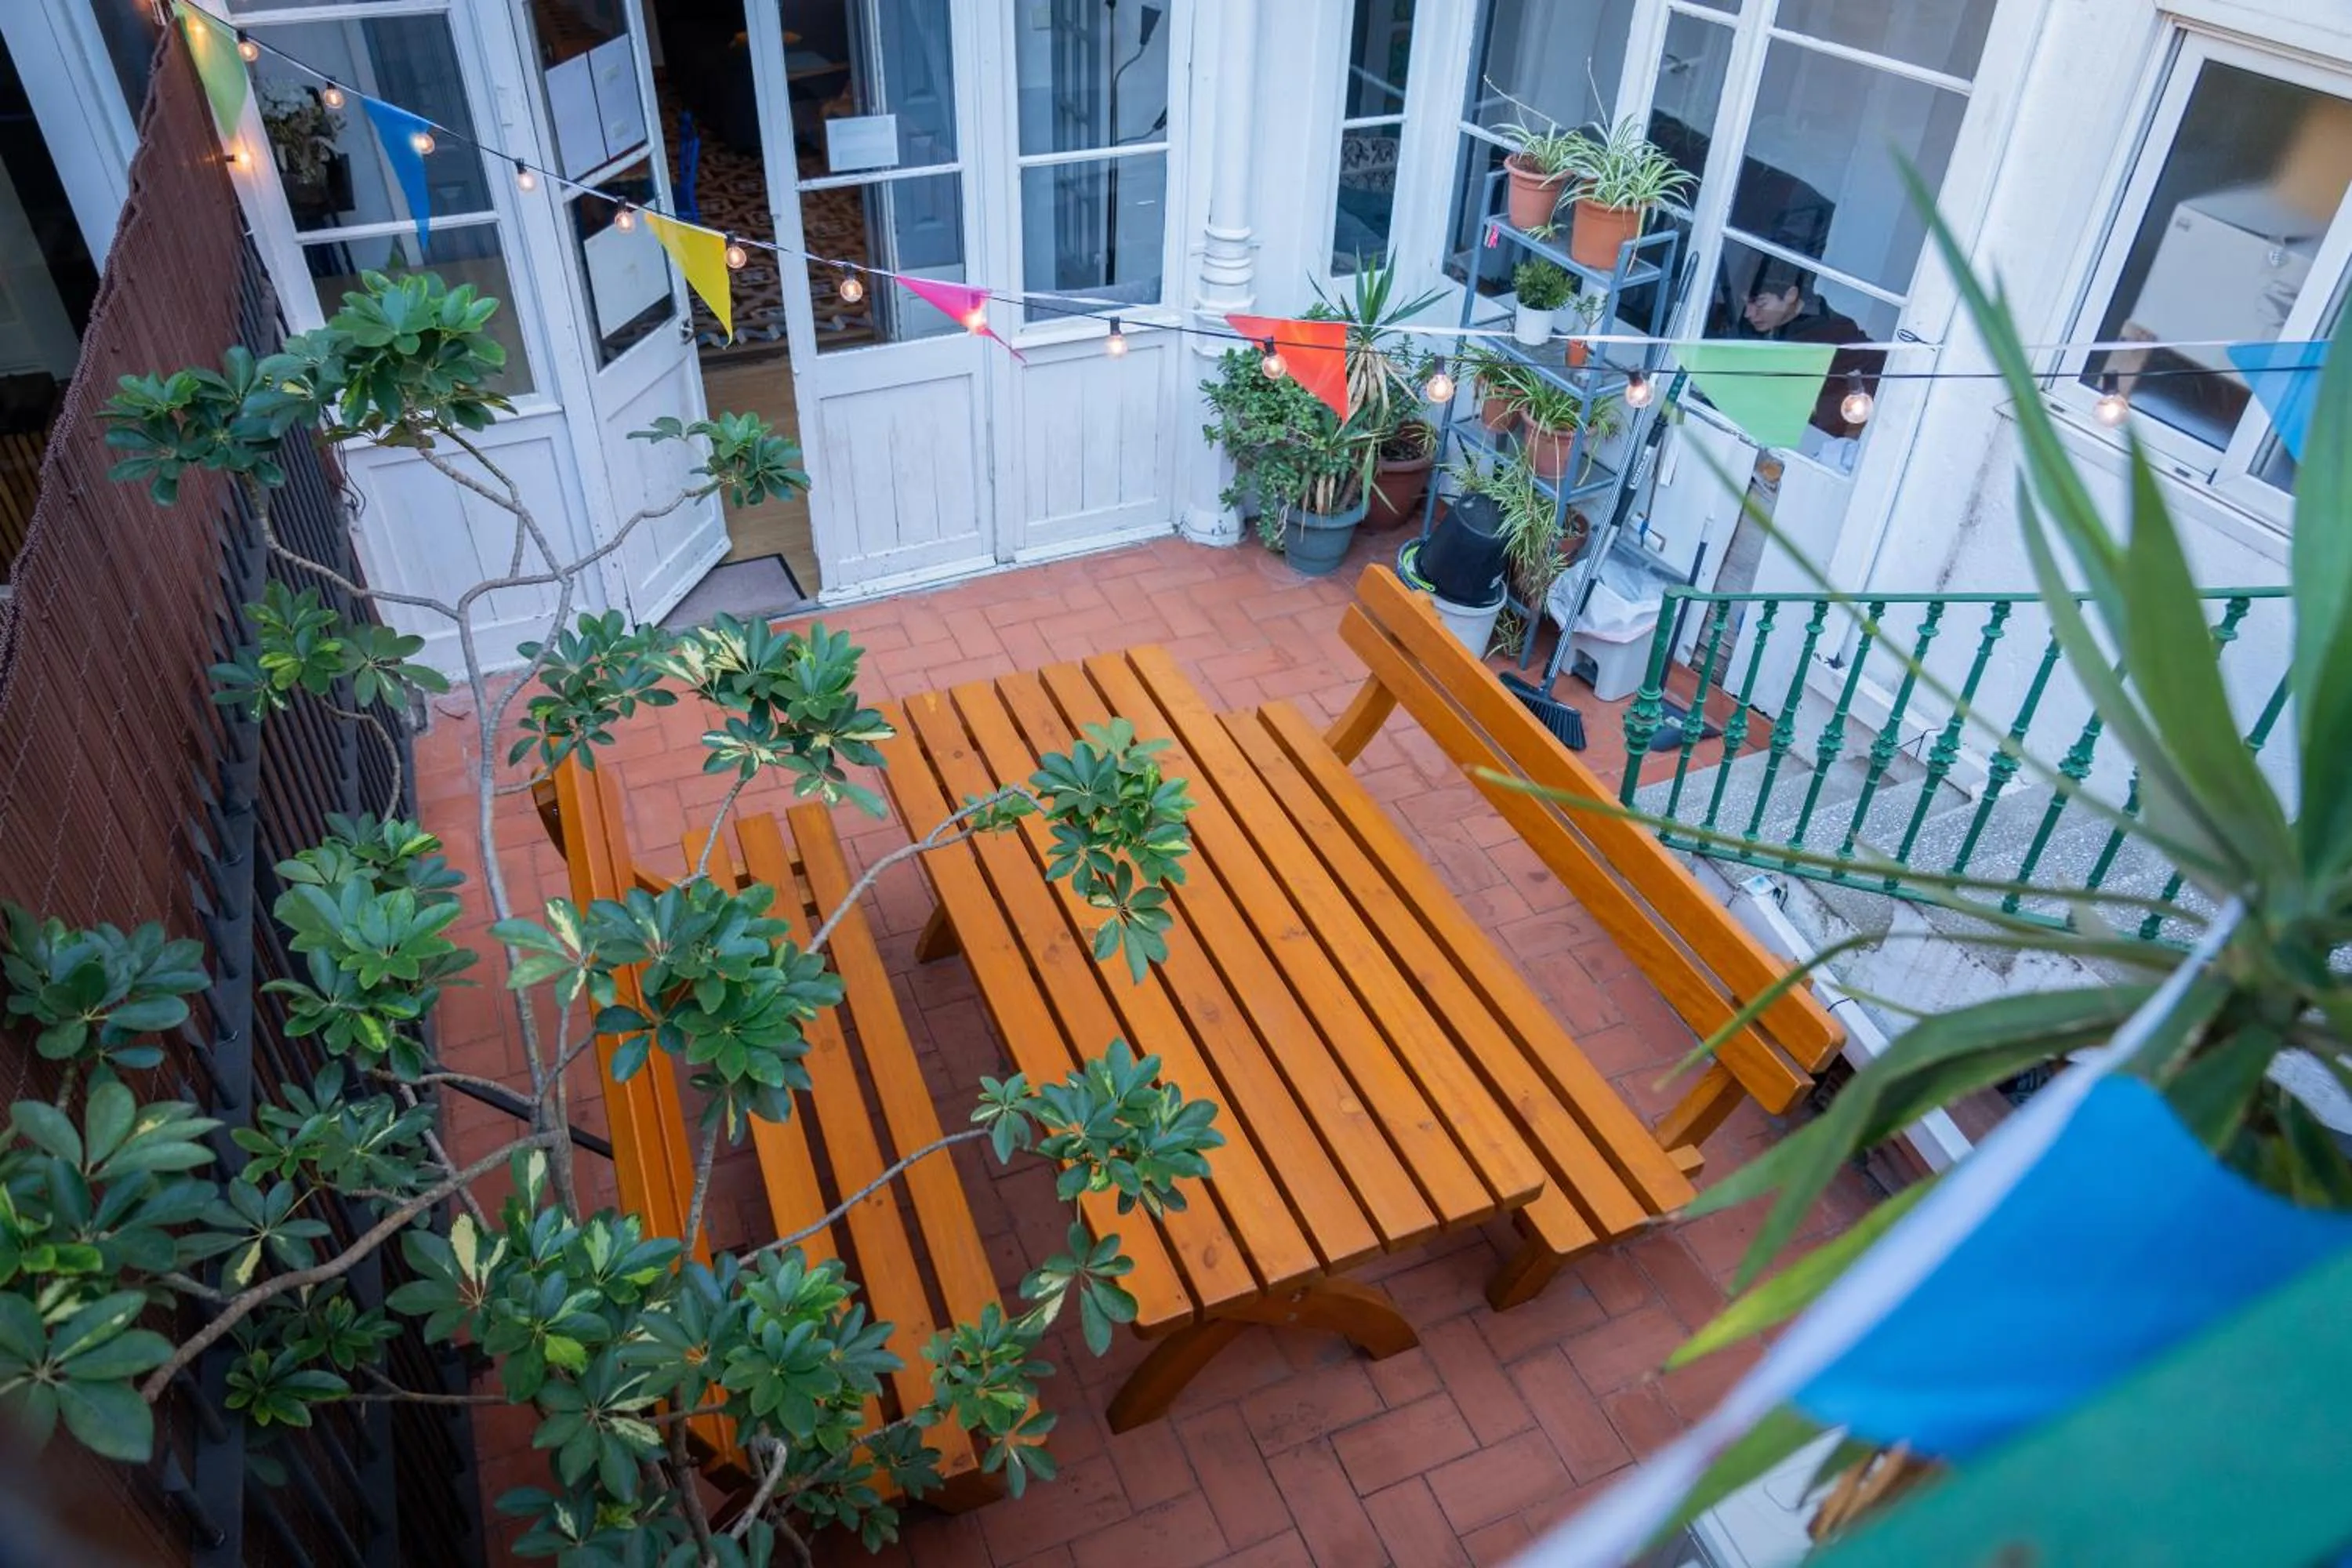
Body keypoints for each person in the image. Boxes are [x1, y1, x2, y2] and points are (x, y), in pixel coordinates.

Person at [1730, 261, 1887, 441]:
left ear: (1791, 295)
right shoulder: (1773, 328)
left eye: (1760, 303)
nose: (1748, 313)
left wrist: (1850, 429)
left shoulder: (1831, 333)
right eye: (1745, 304)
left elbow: (1878, 364)